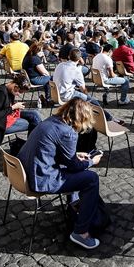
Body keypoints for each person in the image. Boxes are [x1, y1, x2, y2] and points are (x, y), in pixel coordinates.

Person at [18, 98, 104, 249]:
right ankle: (81, 232)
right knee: (91, 178)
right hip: (41, 179)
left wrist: (75, 155)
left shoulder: (51, 120)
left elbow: (56, 152)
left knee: (77, 170)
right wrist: (92, 161)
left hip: (25, 172)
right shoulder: (68, 132)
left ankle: (74, 204)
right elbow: (74, 166)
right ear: (82, 118)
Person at [53, 48, 117, 122]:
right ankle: (108, 118)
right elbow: (83, 89)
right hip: (66, 95)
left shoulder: (60, 65)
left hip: (56, 93)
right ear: (79, 58)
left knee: (81, 94)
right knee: (92, 101)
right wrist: (87, 98)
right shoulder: (76, 70)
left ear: (68, 56)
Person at [0, 73, 43, 147]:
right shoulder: (1, 93)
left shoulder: (8, 89)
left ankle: (33, 143)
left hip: (7, 115)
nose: (18, 94)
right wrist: (13, 107)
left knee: (34, 114)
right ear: (15, 86)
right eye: (19, 92)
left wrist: (14, 107)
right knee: (33, 123)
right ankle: (31, 146)